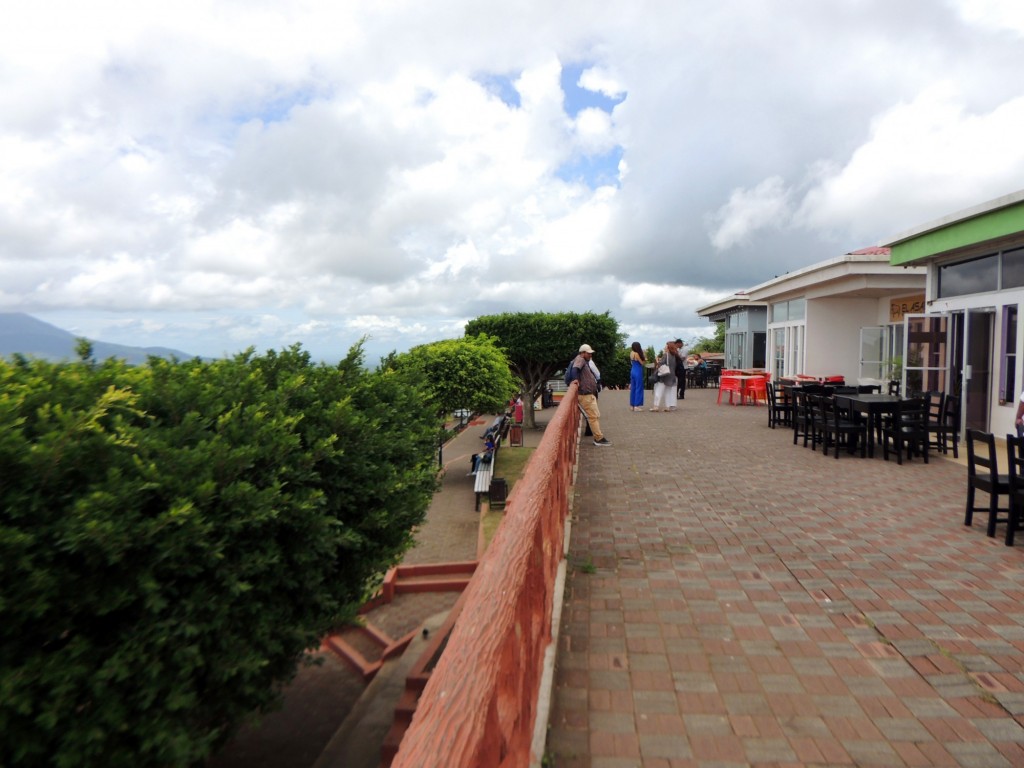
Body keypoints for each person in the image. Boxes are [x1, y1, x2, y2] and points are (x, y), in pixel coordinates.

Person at [566, 343, 611, 446]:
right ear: (582, 353)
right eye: (588, 353)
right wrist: (575, 380)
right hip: (585, 394)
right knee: (593, 416)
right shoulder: (580, 359)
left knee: (594, 416)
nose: (590, 355)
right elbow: (575, 370)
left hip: (587, 394)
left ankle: (598, 437)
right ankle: (598, 438)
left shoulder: (581, 360)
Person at [650, 341, 678, 412]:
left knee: (658, 391)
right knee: (668, 392)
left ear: (668, 347)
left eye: (666, 346)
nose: (664, 347)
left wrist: (657, 361)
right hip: (671, 375)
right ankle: (667, 407)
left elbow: (660, 364)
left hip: (664, 376)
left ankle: (656, 406)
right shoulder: (673, 355)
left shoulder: (666, 355)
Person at [628, 341, 645, 411]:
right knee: (639, 387)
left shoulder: (631, 353)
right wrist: (644, 355)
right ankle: (636, 405)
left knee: (633, 388)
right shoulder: (637, 354)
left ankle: (632, 405)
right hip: (638, 371)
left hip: (633, 370)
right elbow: (642, 363)